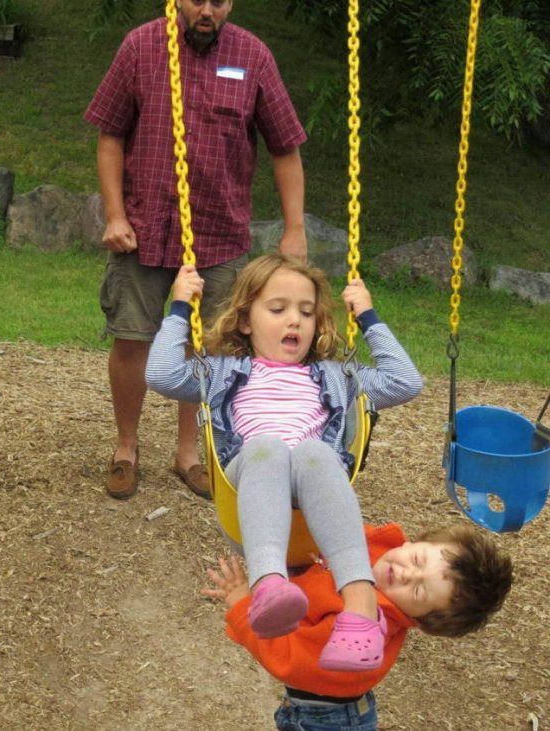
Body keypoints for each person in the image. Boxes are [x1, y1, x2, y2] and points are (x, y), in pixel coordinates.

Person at [146, 253, 424, 672]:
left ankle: (361, 605)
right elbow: (161, 374)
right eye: (278, 309)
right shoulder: (220, 373)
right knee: (269, 447)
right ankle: (269, 584)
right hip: (250, 482)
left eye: (306, 311)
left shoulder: (338, 377)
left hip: (314, 501)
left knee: (315, 452)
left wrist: (367, 315)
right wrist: (181, 308)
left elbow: (406, 381)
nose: (294, 320)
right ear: (245, 320)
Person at [84, 0, 308, 501]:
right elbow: (110, 136)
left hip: (219, 234)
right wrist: (115, 215)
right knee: (131, 338)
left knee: (207, 349)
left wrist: (295, 228)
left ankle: (190, 452)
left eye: (220, 1)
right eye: (197, 0)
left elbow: (285, 147)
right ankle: (126, 448)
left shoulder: (253, 56)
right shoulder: (141, 46)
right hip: (143, 229)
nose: (207, 10)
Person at [202, 522, 513, 731]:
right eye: (417, 560)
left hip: (324, 720)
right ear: (417, 542)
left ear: (423, 621)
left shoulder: (356, 635)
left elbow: (287, 657)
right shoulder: (370, 548)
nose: (406, 573)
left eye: (419, 591)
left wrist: (244, 604)